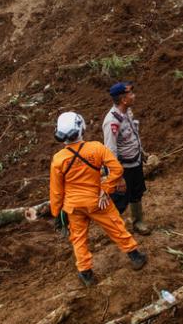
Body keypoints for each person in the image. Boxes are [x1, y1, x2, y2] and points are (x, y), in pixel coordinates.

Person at [49, 112, 147, 286]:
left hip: (73, 206)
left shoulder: (58, 159)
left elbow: (56, 191)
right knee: (116, 227)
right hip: (97, 201)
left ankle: (86, 274)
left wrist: (57, 214)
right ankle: (135, 257)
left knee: (78, 239)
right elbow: (117, 169)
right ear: (81, 128)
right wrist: (106, 189)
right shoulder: (96, 148)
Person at [102, 82, 151, 235]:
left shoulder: (127, 112)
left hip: (134, 161)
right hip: (122, 167)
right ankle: (113, 227)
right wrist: (118, 177)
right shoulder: (112, 122)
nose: (134, 96)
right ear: (123, 99)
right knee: (120, 200)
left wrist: (141, 152)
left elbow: (133, 135)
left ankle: (138, 221)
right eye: (131, 94)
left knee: (137, 192)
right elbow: (110, 151)